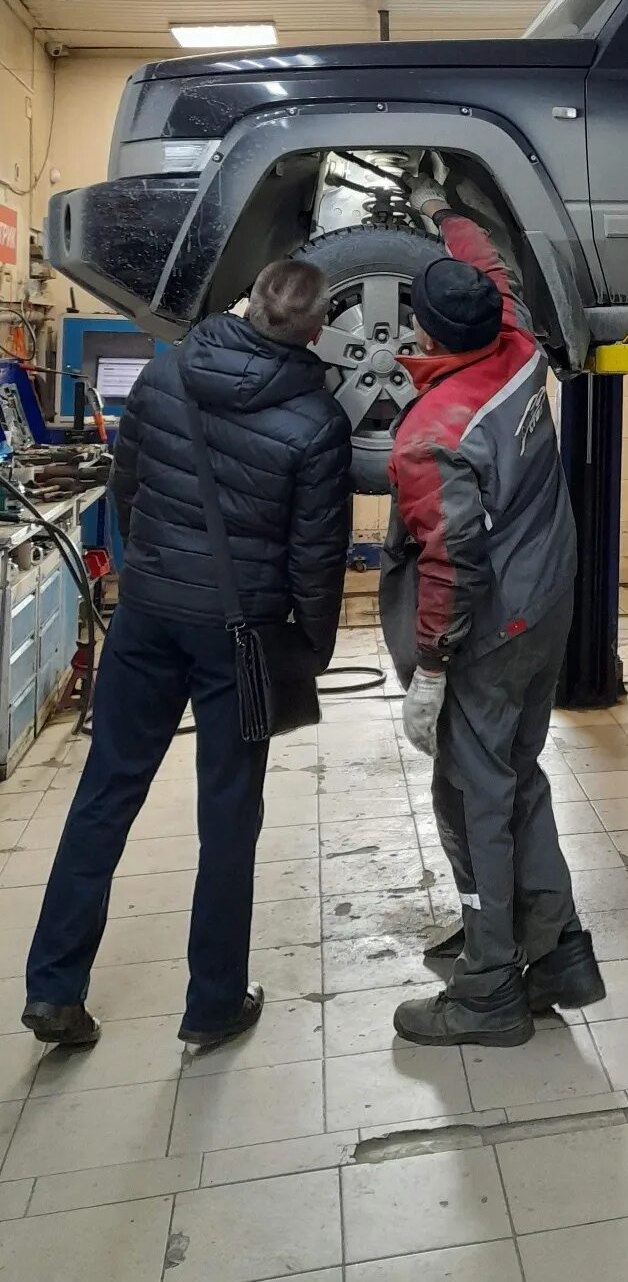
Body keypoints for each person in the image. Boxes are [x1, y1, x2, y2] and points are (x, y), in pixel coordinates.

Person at [23, 260, 351, 1052]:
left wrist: (154, 574)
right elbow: (317, 559)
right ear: (315, 331)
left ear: (249, 305)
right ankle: (212, 1004)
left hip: (147, 616)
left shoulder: (166, 377)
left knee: (105, 793)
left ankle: (54, 989)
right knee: (228, 815)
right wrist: (307, 650)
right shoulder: (316, 420)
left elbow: (127, 490)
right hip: (236, 637)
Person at [381, 176, 602, 1046]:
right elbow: (495, 267)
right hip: (546, 599)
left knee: (471, 795)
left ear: (427, 332)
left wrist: (432, 669)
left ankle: (488, 989)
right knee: (518, 774)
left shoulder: (431, 433)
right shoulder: (513, 345)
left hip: (493, 621)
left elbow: (451, 564)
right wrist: (445, 209)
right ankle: (557, 953)